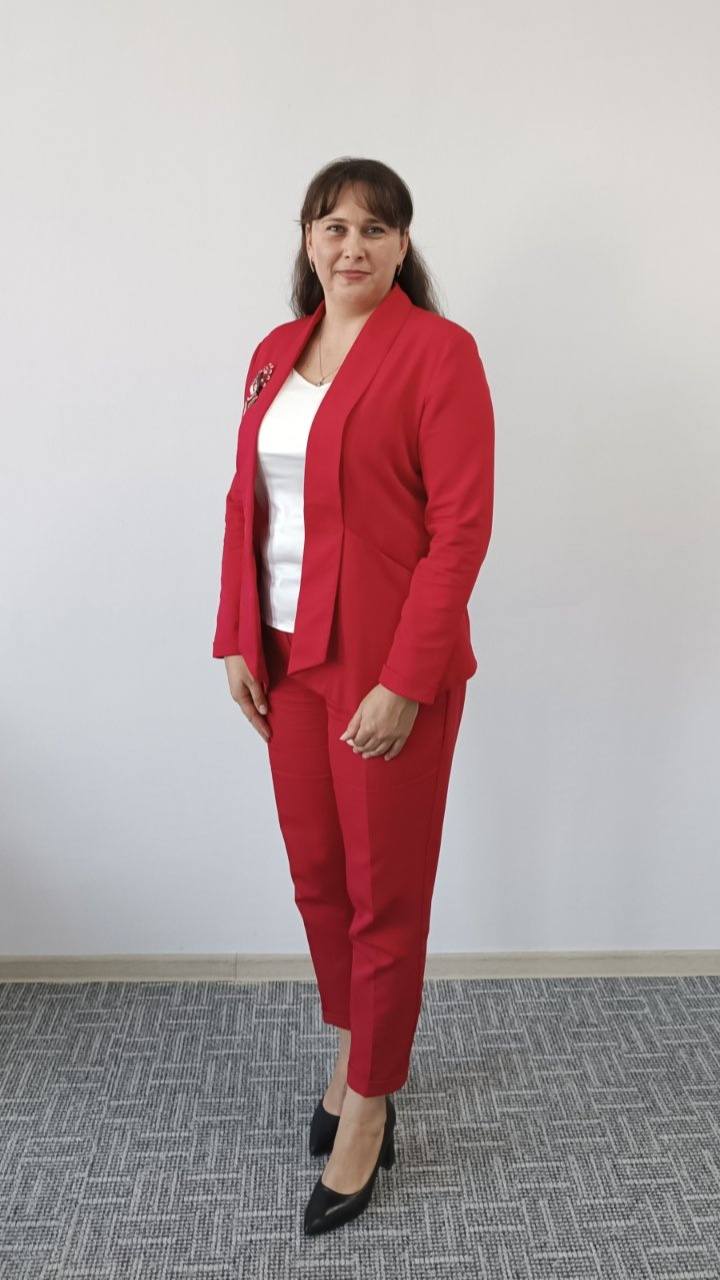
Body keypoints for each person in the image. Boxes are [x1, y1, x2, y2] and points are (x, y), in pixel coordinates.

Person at [212, 157, 495, 1235]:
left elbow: (459, 530)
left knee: (385, 890)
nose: (352, 245)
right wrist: (237, 634)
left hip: (384, 666)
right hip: (288, 658)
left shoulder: (438, 354)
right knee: (320, 877)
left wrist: (406, 679)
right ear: (306, 239)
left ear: (402, 244)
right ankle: (353, 1046)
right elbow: (245, 502)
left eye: (376, 228)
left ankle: (371, 1101)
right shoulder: (274, 354)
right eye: (333, 225)